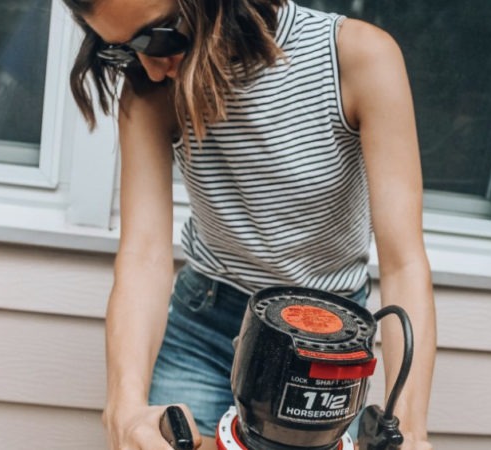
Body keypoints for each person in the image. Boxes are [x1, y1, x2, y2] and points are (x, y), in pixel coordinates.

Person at [62, 0, 437, 449]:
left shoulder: (358, 60)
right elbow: (144, 255)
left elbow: (403, 263)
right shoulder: (148, 88)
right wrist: (123, 405)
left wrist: (408, 428)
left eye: (159, 37)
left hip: (324, 337)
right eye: (120, 51)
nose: (150, 67)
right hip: (205, 322)